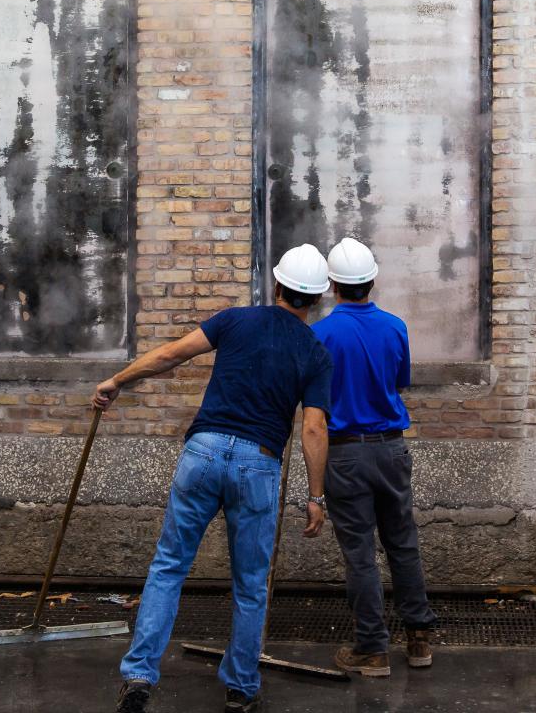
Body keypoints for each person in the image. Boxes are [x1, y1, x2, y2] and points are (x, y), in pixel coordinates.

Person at [94, 243, 335, 713]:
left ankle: (140, 676)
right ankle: (241, 688)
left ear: (278, 285)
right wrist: (316, 496)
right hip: (258, 465)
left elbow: (171, 355)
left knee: (168, 568)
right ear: (318, 299)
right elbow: (313, 426)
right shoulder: (315, 353)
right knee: (249, 584)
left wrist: (118, 380)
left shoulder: (235, 320)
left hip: (202, 453)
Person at [312, 237, 438, 677]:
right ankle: (419, 639)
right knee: (403, 543)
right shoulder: (395, 327)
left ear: (332, 285)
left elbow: (313, 402)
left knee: (361, 554)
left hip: (345, 454)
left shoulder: (320, 334)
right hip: (391, 448)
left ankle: (372, 648)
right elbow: (399, 382)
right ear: (372, 280)